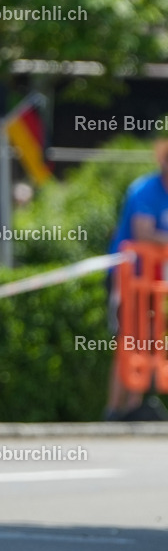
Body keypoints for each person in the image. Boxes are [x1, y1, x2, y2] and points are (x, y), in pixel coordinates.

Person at [104, 139, 168, 420]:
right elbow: (143, 234)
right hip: (126, 278)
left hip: (153, 280)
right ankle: (114, 409)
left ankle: (134, 405)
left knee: (149, 338)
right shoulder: (145, 190)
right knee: (128, 340)